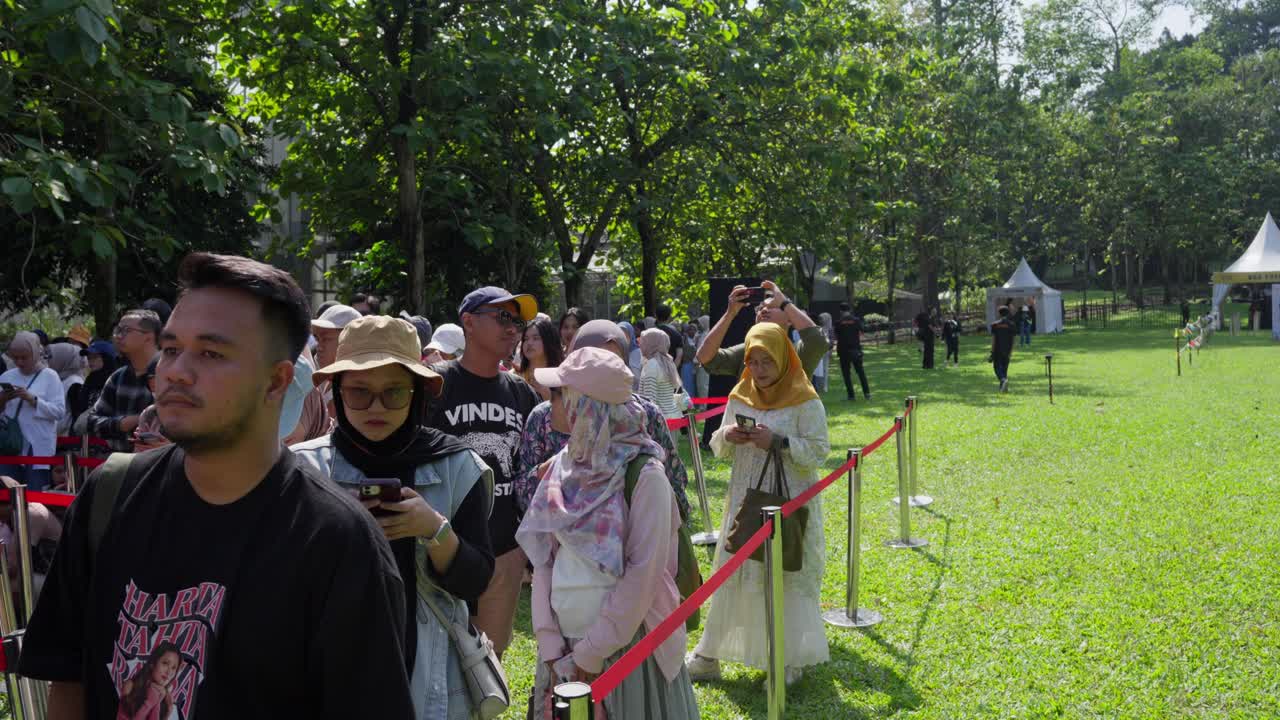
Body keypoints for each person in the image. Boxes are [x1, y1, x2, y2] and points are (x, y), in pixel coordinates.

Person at [19, 252, 414, 719]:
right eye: (170, 349)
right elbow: (70, 683)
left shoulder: (336, 542)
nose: (176, 371)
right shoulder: (111, 496)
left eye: (210, 353)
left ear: (276, 381)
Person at [292, 316, 495, 720]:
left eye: (394, 393)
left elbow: (474, 581)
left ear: (418, 393)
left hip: (428, 678)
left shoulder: (460, 468)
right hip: (327, 672)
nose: (376, 408)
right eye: (359, 393)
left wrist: (435, 530)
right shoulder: (303, 469)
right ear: (337, 392)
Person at [518, 347, 700, 720]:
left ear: (583, 407)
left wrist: (592, 651)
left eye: (559, 394)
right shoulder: (563, 467)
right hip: (564, 648)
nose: (550, 404)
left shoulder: (645, 476)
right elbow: (544, 560)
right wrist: (550, 642)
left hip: (626, 650)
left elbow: (643, 574)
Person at [687, 323, 830, 687]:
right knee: (735, 567)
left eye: (767, 361)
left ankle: (786, 660)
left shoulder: (805, 399)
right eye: (753, 362)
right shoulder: (740, 395)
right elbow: (718, 445)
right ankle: (709, 654)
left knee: (783, 573)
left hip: (788, 499)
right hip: (744, 496)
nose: (760, 369)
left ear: (783, 358)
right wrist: (728, 435)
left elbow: (818, 451)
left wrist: (778, 441)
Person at [425, 286, 540, 659]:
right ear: (469, 323)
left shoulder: (522, 393)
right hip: (441, 546)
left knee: (489, 663)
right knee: (436, 658)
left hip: (503, 551)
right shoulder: (434, 384)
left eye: (518, 321)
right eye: (502, 317)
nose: (513, 329)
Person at [514, 320, 692, 521]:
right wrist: (548, 472)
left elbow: (674, 481)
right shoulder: (544, 416)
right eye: (586, 362)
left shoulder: (646, 413)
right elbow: (522, 492)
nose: (598, 374)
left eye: (609, 363)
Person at [696, 281, 827, 379]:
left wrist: (785, 303)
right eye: (759, 308)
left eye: (771, 306)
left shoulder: (797, 353)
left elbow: (819, 341)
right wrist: (730, 313)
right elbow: (704, 357)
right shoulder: (746, 351)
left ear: (789, 319)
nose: (763, 309)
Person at [87, 309, 161, 451]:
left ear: (149, 337)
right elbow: (91, 423)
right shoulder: (118, 377)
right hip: (123, 465)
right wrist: (124, 423)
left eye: (126, 330)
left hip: (162, 466)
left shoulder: (170, 374)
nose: (118, 336)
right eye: (118, 330)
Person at [1, 332, 67, 490]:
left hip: (37, 446)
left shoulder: (50, 376)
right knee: (7, 496)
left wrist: (33, 400)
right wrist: (3, 399)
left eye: (24, 357)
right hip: (9, 446)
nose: (19, 362)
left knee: (35, 497)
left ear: (36, 354)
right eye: (15, 357)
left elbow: (59, 412)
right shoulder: (6, 376)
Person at [115, 641, 181, 720]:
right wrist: (149, 703)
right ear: (152, 663)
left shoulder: (167, 699)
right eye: (165, 663)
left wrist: (159, 703)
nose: (169, 672)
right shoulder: (130, 686)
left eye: (173, 668)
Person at [69, 340, 119, 434]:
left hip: (107, 436)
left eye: (95, 357)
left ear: (106, 358)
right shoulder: (90, 380)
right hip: (86, 436)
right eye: (89, 357)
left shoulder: (116, 381)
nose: (90, 361)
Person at [638, 328, 684, 422]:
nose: (639, 344)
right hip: (672, 416)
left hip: (659, 421)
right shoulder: (667, 361)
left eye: (642, 341)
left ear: (651, 344)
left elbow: (649, 399)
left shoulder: (652, 364)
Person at [518, 318, 565, 402]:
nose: (529, 343)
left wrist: (548, 396)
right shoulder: (514, 377)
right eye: (526, 339)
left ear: (549, 342)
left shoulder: (562, 378)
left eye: (536, 338)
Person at [46, 342, 87, 435]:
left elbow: (75, 416)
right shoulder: (61, 379)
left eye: (51, 357)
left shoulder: (75, 383)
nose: (48, 361)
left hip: (65, 441)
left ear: (63, 359)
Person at [131, 356, 170, 453]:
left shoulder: (192, 415)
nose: (157, 394)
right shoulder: (149, 414)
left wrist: (169, 449)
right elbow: (137, 455)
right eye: (153, 390)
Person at [833, 303, 871, 401]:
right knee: (861, 373)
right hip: (855, 350)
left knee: (847, 375)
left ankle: (851, 396)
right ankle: (867, 393)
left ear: (841, 311)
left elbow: (836, 335)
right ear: (849, 310)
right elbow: (863, 330)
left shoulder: (838, 322)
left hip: (843, 351)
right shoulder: (856, 320)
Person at [990, 305, 1017, 392]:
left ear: (999, 314)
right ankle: (1003, 388)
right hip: (1007, 350)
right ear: (1008, 313)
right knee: (1004, 369)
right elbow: (1013, 340)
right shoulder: (1012, 325)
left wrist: (992, 351)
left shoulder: (995, 325)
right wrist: (1011, 352)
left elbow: (994, 340)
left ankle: (1003, 380)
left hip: (997, 350)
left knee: (996, 368)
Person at [812, 313, 834, 393]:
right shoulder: (817, 328)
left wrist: (830, 351)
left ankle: (824, 386)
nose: (821, 320)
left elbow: (832, 341)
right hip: (818, 351)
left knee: (825, 369)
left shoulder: (830, 329)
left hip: (826, 351)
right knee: (817, 369)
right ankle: (818, 385)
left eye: (822, 319)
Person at [693, 316, 711, 399]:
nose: (698, 325)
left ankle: (704, 406)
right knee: (701, 384)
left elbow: (701, 351)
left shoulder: (706, 335)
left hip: (703, 363)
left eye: (700, 323)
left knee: (702, 385)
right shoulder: (703, 334)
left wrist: (697, 362)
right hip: (702, 363)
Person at [680, 322, 699, 397]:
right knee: (686, 383)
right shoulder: (684, 339)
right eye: (690, 329)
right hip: (686, 365)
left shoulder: (698, 339)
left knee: (694, 384)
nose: (692, 331)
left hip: (695, 366)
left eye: (694, 329)